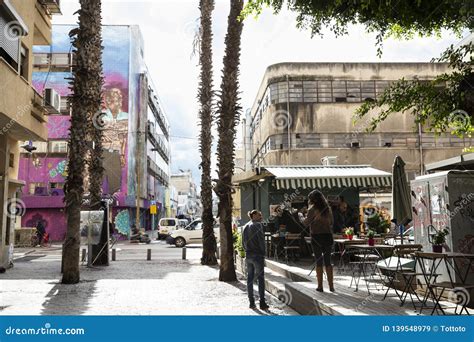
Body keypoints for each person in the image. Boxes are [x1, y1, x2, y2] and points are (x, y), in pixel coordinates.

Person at [303, 190, 335, 292]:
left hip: (316, 236)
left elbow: (306, 223)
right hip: (328, 236)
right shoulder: (328, 209)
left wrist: (300, 216)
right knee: (328, 261)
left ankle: (320, 286)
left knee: (318, 261)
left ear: (312, 200)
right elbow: (332, 222)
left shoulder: (312, 209)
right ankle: (331, 286)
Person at [242, 210, 269, 310]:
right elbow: (261, 241)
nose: (261, 216)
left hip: (249, 255)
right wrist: (263, 253)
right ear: (253, 215)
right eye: (259, 215)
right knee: (260, 279)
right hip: (257, 255)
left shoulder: (245, 226)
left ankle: (251, 302)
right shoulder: (258, 225)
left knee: (250, 278)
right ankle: (262, 302)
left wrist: (246, 251)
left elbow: (243, 242)